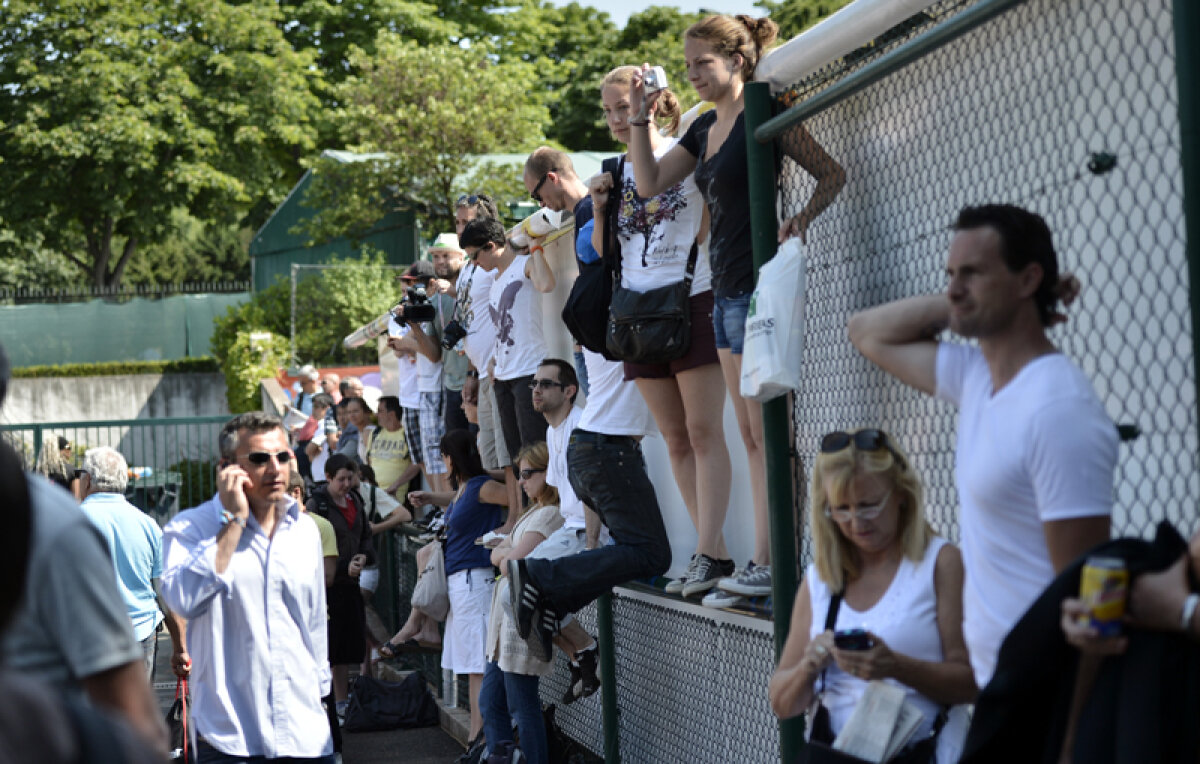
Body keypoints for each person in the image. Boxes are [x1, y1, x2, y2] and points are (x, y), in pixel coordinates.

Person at [848, 204, 1118, 688]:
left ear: (1027, 279)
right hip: (998, 687)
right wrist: (959, 304)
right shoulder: (976, 377)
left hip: (1043, 697)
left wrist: (1072, 743)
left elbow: (1089, 597)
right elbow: (866, 333)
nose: (953, 288)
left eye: (972, 274)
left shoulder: (1057, 407)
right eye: (951, 274)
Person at [628, 14, 846, 601]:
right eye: (688, 63)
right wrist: (640, 114)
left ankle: (772, 564)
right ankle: (762, 566)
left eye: (704, 62)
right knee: (749, 433)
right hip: (721, 289)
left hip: (757, 289)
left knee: (766, 432)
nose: (694, 73)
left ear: (737, 60)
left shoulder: (762, 107)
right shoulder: (702, 129)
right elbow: (648, 184)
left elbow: (830, 172)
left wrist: (801, 218)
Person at [589, 65, 736, 601]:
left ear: (651, 100)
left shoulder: (685, 149)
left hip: (690, 296)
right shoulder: (612, 171)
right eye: (608, 110)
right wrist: (601, 208)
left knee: (703, 431)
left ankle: (709, 549)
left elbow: (710, 216)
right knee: (674, 439)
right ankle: (711, 552)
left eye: (622, 107)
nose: (614, 119)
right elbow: (607, 256)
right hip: (634, 315)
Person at [768, 429, 976, 762]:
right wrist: (809, 666)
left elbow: (971, 684)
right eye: (841, 509)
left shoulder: (939, 562)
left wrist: (895, 666)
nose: (855, 523)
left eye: (868, 506)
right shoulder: (821, 578)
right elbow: (781, 702)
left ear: (901, 494)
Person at [0, 353, 167, 754]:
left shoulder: (58, 520)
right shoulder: (59, 522)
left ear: (87, 480)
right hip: (134, 635)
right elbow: (135, 720)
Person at [161, 412, 333, 762]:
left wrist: (320, 693)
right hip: (230, 740)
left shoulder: (305, 532)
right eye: (259, 458)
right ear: (227, 467)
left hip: (304, 735)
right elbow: (184, 600)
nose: (274, 468)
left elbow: (314, 625)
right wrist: (233, 523)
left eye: (282, 456)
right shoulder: (190, 529)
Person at [408, 429, 508, 750]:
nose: (443, 463)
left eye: (445, 456)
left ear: (454, 457)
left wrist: (505, 532)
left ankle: (477, 739)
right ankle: (478, 738)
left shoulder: (481, 485)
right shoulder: (466, 487)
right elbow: (458, 501)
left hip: (474, 580)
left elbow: (517, 498)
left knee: (478, 666)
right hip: (461, 582)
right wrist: (431, 498)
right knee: (472, 666)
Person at [461, 215, 556, 516]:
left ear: (491, 246)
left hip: (528, 371)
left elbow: (546, 283)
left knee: (536, 452)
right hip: (502, 375)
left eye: (475, 255)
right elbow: (503, 330)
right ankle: (529, 516)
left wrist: (536, 247)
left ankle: (547, 514)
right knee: (517, 458)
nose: (474, 263)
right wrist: (492, 361)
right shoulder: (495, 282)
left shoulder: (522, 264)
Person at [480, 442, 564, 764]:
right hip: (503, 623)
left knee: (522, 706)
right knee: (491, 702)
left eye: (528, 473)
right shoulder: (533, 512)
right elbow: (510, 557)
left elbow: (512, 562)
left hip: (521, 623)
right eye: (519, 474)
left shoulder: (551, 513)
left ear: (550, 472)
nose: (521, 481)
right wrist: (504, 553)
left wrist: (498, 553)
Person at [78, 446, 187, 683]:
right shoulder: (147, 525)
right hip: (141, 633)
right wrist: (180, 647)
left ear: (87, 480)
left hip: (88, 638)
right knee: (136, 715)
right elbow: (165, 593)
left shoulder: (70, 521)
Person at [306, 454, 374, 723]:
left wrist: (363, 557)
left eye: (350, 478)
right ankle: (330, 701)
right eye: (341, 479)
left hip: (350, 584)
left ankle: (343, 701)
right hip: (328, 585)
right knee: (330, 648)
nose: (347, 484)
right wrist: (344, 564)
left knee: (348, 645)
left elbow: (365, 535)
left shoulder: (355, 500)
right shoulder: (317, 505)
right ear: (328, 477)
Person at [288, 470, 342, 760]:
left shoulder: (317, 526)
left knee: (322, 694)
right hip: (288, 627)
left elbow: (328, 576)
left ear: (296, 493)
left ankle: (333, 750)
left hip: (316, 623)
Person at [389, 260, 450, 494]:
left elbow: (433, 353)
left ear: (431, 284)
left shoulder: (437, 306)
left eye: (415, 285)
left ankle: (445, 511)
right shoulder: (410, 309)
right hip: (422, 389)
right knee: (428, 456)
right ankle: (439, 509)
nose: (411, 292)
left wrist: (410, 339)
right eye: (408, 286)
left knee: (438, 456)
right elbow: (397, 346)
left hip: (435, 386)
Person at [427, 233, 473, 434]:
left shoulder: (474, 283)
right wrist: (414, 327)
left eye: (446, 256)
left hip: (477, 381)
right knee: (457, 452)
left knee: (483, 453)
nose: (440, 261)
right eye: (436, 257)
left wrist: (454, 292)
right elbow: (434, 355)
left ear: (462, 257)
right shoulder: (435, 298)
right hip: (452, 386)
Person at [335, 395, 374, 465]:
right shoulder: (361, 432)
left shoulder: (368, 431)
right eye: (349, 412)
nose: (352, 415)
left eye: (355, 411)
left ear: (366, 412)